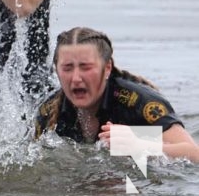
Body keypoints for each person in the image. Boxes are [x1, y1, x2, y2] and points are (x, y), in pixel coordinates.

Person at [34, 27, 199, 162]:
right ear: (56, 70)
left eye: (85, 67)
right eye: (68, 68)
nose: (76, 78)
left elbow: (194, 153)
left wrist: (140, 146)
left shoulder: (140, 105)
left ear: (107, 68)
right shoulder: (48, 113)